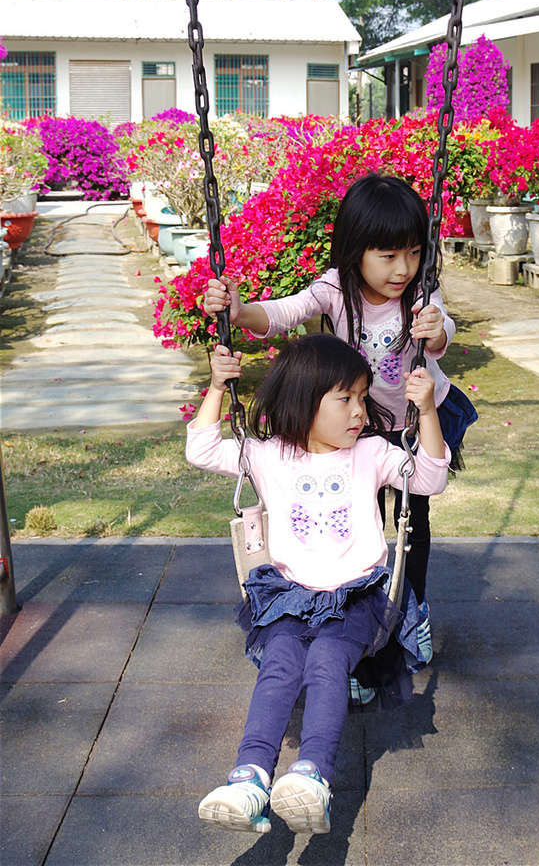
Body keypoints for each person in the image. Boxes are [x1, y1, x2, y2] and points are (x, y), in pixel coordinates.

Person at [203, 173, 477, 671]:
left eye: (414, 253)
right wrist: (242, 313)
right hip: (360, 426)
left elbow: (440, 336)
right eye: (388, 256)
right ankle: (356, 613)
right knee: (361, 517)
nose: (403, 268)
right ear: (356, 251)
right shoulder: (335, 289)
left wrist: (436, 330)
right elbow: (286, 313)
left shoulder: (421, 293)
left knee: (414, 520)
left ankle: (412, 609)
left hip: (417, 421)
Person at [187, 333, 450, 837]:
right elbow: (199, 449)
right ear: (304, 401)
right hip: (290, 596)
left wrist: (429, 410)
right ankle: (249, 778)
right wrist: (218, 387)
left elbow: (431, 478)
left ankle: (313, 775)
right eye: (345, 398)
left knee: (328, 659)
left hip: (358, 596)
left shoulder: (371, 452)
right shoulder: (266, 455)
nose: (359, 410)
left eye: (363, 397)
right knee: (282, 661)